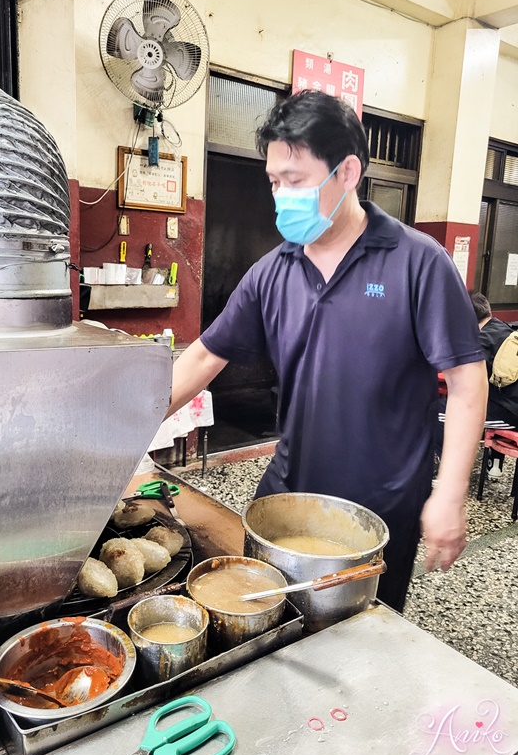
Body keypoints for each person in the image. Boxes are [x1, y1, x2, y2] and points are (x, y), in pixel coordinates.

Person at [169, 91, 488, 612]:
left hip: (380, 504)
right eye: (274, 182)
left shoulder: (418, 263)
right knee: (269, 621)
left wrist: (450, 494)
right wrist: (130, 427)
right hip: (288, 492)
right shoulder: (273, 272)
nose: (281, 196)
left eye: (295, 181)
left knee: (361, 635)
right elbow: (205, 357)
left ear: (348, 172)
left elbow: (467, 384)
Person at [436, 292, 518, 480]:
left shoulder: (480, 341)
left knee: (440, 411)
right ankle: (494, 463)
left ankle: (447, 473)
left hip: (512, 414)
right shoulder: (503, 328)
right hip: (509, 403)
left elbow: (461, 380)